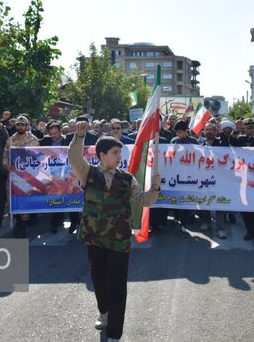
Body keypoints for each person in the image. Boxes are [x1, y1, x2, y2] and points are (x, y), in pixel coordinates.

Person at [68, 120, 161, 342]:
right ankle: (104, 312)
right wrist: (79, 137)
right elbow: (74, 157)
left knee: (117, 286)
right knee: (98, 279)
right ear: (102, 155)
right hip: (95, 238)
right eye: (115, 152)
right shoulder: (88, 173)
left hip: (119, 240)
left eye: (120, 152)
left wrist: (155, 187)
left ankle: (115, 332)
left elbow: (146, 200)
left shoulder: (127, 179)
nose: (119, 156)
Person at [3, 115, 40, 238]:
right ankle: (19, 223)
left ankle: (22, 226)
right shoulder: (10, 140)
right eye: (18, 125)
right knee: (14, 202)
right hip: (13, 177)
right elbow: (5, 155)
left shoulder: (33, 140)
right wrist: (6, 165)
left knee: (26, 204)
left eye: (22, 125)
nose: (20, 127)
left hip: (27, 178)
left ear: (27, 126)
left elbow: (38, 157)